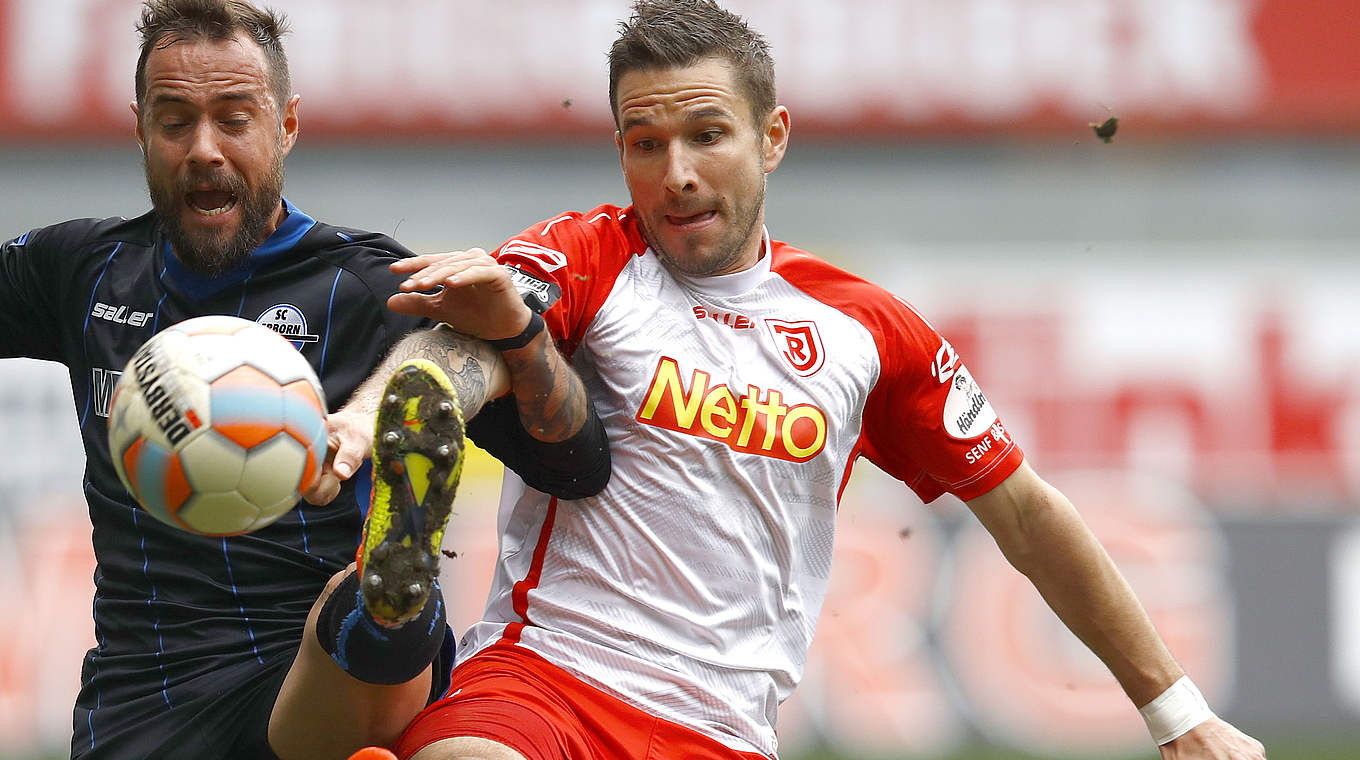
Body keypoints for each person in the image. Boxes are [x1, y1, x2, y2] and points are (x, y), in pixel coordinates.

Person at [373, 1, 1270, 759]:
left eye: (707, 135)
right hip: (544, 685)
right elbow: (469, 348)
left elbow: (1028, 515)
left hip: (724, 729)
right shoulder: (589, 254)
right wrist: (372, 417)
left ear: (773, 137)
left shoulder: (865, 330)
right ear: (619, 152)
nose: (676, 174)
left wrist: (1179, 715)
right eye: (645, 143)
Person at [0, 1, 608, 758]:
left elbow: (577, 464)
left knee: (358, 614)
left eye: (234, 118)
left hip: (310, 683)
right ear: (139, 128)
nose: (203, 149)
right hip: (142, 701)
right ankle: (386, 615)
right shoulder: (85, 272)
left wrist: (516, 334)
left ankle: (390, 600)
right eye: (175, 120)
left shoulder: (365, 289)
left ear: (286, 125)